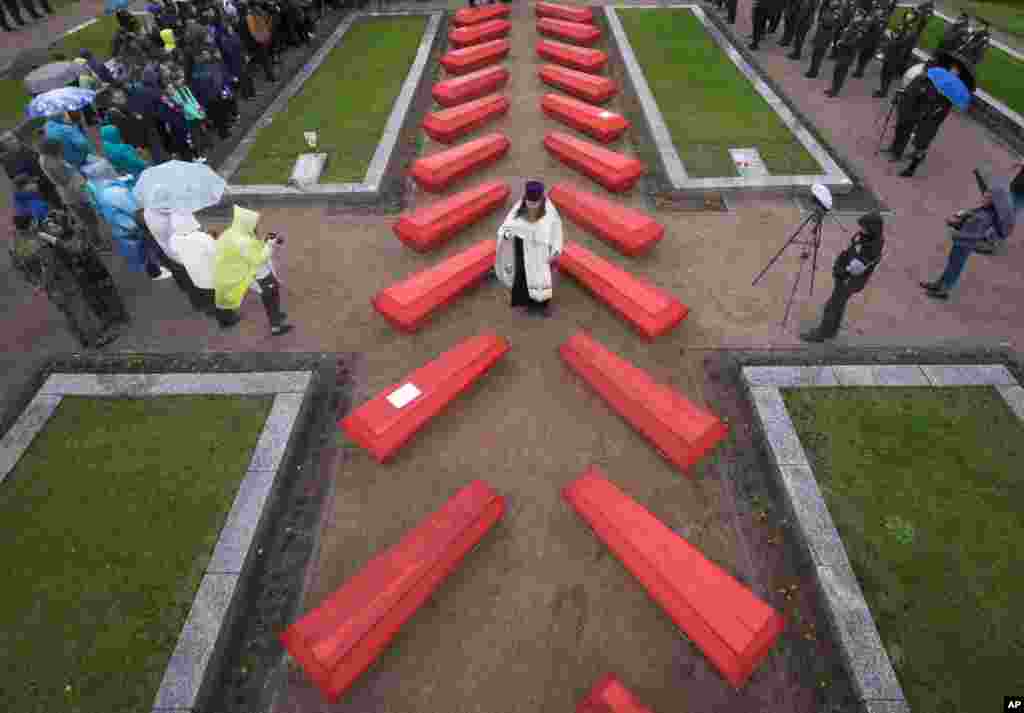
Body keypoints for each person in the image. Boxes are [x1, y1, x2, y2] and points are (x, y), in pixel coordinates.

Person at [9, 211, 129, 348]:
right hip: (61, 281)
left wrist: (35, 283)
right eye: (34, 221)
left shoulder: (14, 245)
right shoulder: (39, 244)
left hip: (48, 287)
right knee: (79, 309)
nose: (37, 223)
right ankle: (95, 338)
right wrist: (43, 283)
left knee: (67, 312)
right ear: (30, 225)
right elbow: (50, 266)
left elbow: (19, 267)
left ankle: (82, 338)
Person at [920, 181, 1014, 299]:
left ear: (993, 202)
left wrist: (957, 234)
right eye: (985, 195)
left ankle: (944, 289)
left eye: (987, 197)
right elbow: (967, 223)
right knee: (951, 264)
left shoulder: (984, 217)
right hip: (961, 243)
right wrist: (957, 222)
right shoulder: (982, 211)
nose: (983, 197)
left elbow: (976, 236)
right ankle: (939, 284)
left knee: (954, 267)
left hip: (965, 244)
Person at [801, 211, 885, 342]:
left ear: (872, 229)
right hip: (849, 278)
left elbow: (855, 269)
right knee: (839, 304)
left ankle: (822, 334)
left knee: (832, 306)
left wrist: (840, 271)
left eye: (864, 227)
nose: (861, 229)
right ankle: (831, 331)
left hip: (849, 280)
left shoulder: (871, 248)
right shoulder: (868, 238)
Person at [212, 205, 293, 335]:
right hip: (260, 276)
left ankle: (276, 315)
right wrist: (269, 245)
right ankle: (276, 326)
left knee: (271, 296)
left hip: (255, 275)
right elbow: (259, 259)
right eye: (254, 224)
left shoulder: (236, 236)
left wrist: (264, 242)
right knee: (270, 298)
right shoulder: (243, 241)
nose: (256, 227)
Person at [495, 180, 564, 317]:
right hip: (523, 251)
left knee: (542, 284)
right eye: (529, 203)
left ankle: (543, 306)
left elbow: (556, 231)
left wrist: (555, 250)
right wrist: (507, 235)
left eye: (535, 203)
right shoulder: (518, 208)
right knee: (522, 281)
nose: (532, 206)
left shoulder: (550, 211)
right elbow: (506, 228)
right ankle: (524, 303)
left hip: (542, 253)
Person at [37, 137, 109, 253]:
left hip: (71, 195)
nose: (62, 150)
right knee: (90, 221)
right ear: (52, 150)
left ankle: (95, 242)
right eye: (59, 149)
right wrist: (78, 179)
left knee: (87, 220)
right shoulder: (54, 164)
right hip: (75, 197)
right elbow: (65, 180)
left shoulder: (45, 158)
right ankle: (98, 244)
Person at [143, 203, 215, 312]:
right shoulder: (175, 213)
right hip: (188, 255)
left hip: (172, 253)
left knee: (189, 283)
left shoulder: (148, 212)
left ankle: (200, 304)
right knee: (201, 282)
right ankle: (211, 306)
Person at [873, 6, 920, 97]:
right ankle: (882, 89)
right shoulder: (903, 25)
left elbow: (901, 42)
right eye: (909, 13)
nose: (908, 15)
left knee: (888, 73)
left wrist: (891, 41)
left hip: (896, 55)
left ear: (913, 18)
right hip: (891, 52)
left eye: (911, 14)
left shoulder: (910, 31)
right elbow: (895, 33)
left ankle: (883, 91)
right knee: (884, 71)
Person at [825, 8, 870, 97]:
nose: (855, 15)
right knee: (837, 71)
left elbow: (854, 42)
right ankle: (833, 88)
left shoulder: (861, 27)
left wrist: (842, 42)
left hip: (848, 53)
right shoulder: (853, 23)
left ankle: (835, 91)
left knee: (841, 72)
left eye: (857, 14)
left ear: (861, 17)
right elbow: (846, 34)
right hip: (843, 51)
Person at [805, 0, 843, 78]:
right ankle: (812, 70)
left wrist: (823, 21)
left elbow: (829, 22)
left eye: (833, 2)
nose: (831, 2)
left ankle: (813, 72)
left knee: (818, 54)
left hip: (825, 35)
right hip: (821, 34)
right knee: (815, 54)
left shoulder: (836, 14)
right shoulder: (829, 10)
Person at [851, 5, 889, 79]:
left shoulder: (875, 20)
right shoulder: (881, 21)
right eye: (877, 10)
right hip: (873, 43)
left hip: (869, 42)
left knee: (863, 57)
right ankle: (859, 71)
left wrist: (861, 29)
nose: (877, 11)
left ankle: (859, 72)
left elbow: (866, 29)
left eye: (878, 10)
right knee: (864, 58)